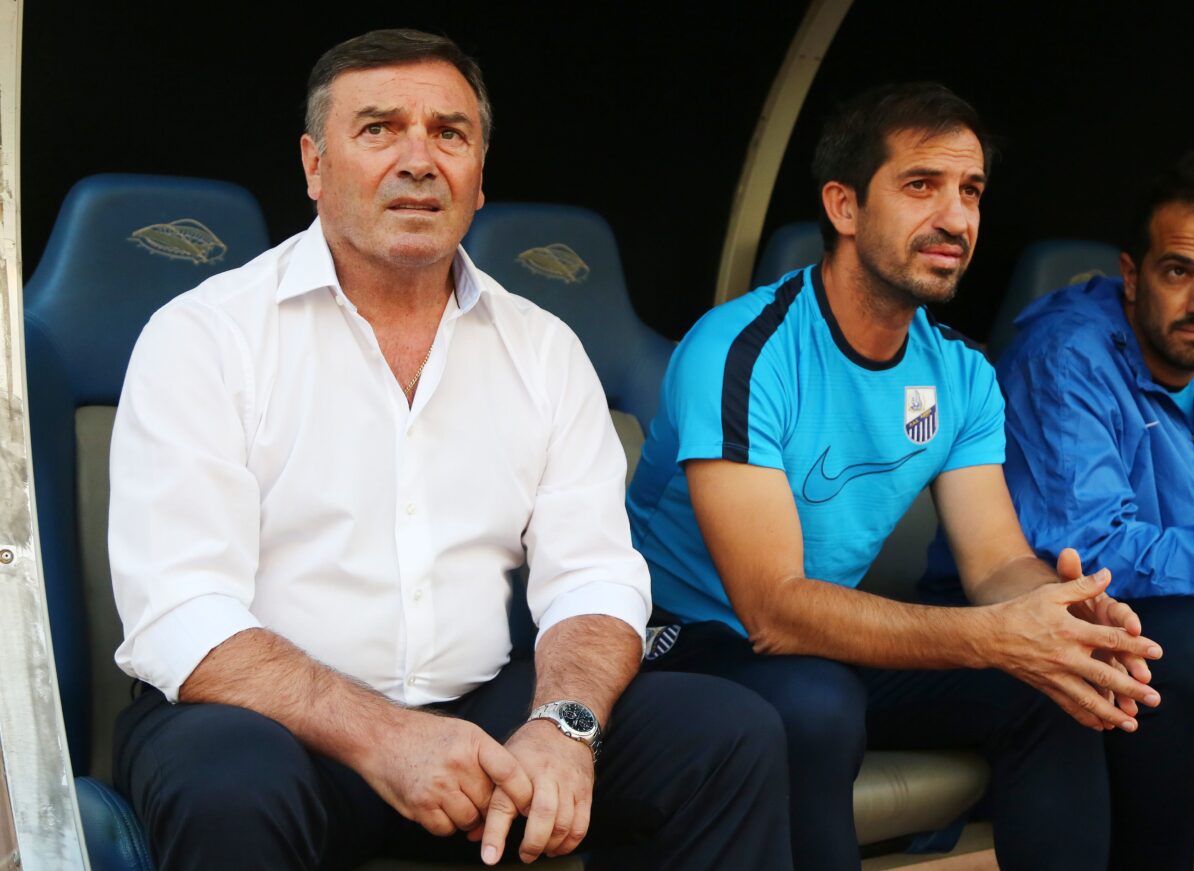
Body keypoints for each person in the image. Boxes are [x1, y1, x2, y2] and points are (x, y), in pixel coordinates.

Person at [108, 28, 791, 871]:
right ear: (314, 165)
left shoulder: (542, 349)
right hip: (269, 724)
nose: (419, 160)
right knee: (227, 786)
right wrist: (386, 735)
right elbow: (181, 611)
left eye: (449, 133)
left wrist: (563, 727)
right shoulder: (205, 336)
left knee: (728, 736)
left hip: (477, 714)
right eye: (378, 129)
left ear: (479, 173)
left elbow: (594, 578)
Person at [626, 81, 1164, 871]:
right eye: (921, 185)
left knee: (1054, 686)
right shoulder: (740, 350)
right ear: (843, 206)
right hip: (683, 643)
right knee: (815, 701)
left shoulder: (961, 374)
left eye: (971, 191)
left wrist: (1059, 617)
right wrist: (993, 637)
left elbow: (996, 563)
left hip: (825, 644)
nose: (956, 218)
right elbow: (771, 610)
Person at [983, 152, 1194, 869]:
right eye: (1179, 271)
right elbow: (1093, 552)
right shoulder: (1066, 358)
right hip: (1080, 629)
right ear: (1132, 273)